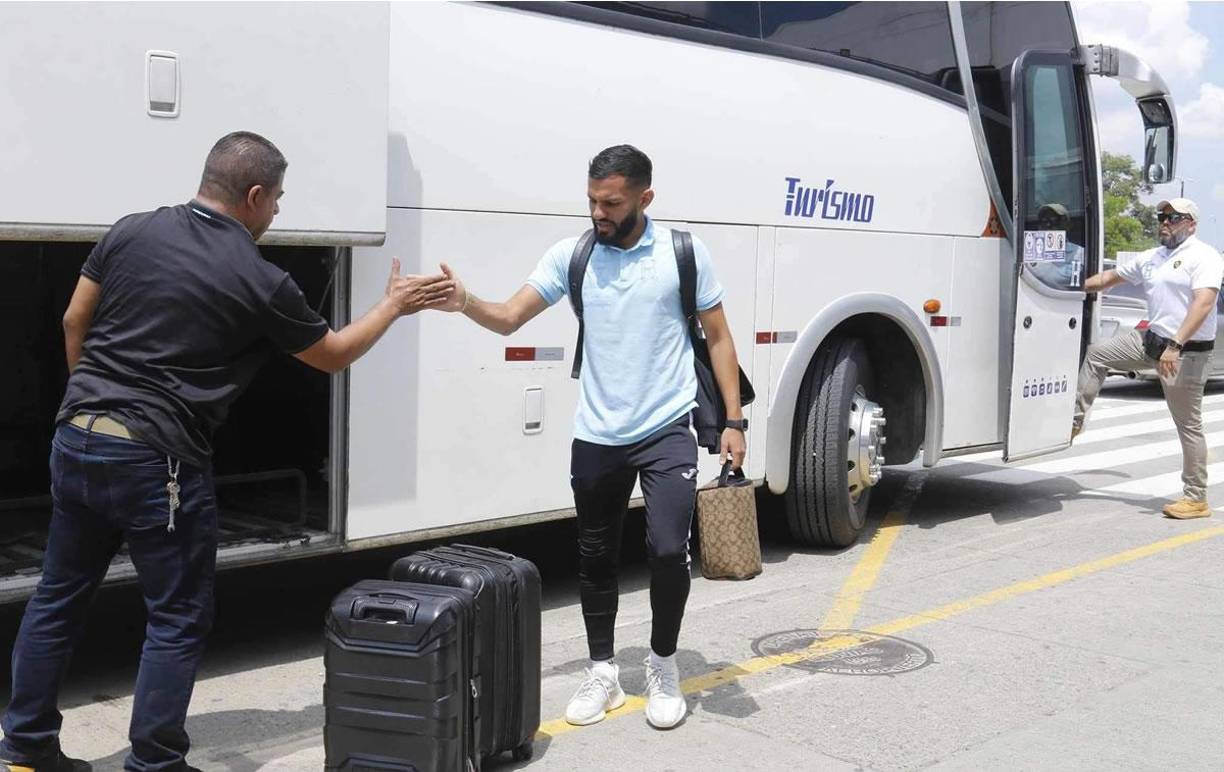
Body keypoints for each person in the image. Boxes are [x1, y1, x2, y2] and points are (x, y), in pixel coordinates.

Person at [0, 131, 453, 772]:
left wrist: (85, 401)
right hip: (156, 459)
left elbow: (76, 320)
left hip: (76, 437)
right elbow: (333, 356)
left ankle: (25, 746)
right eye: (276, 203)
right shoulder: (259, 277)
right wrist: (392, 305)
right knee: (177, 615)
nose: (275, 216)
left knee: (58, 595)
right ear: (254, 194)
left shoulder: (131, 230)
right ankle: (155, 761)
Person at [435, 145, 747, 729]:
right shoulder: (572, 255)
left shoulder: (682, 253)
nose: (599, 213)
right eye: (592, 201)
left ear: (644, 198)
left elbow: (720, 336)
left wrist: (733, 421)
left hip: (666, 429)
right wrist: (465, 302)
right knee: (595, 556)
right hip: (598, 434)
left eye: (612, 202)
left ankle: (662, 664)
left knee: (664, 551)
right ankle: (603, 672)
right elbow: (508, 316)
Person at [1073, 197, 1222, 519]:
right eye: (1162, 216)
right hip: (1149, 341)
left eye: (1174, 217)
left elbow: (1204, 303)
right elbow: (1109, 279)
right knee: (1098, 354)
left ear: (1191, 224)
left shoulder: (1204, 256)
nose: (1165, 222)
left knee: (1188, 425)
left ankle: (1196, 498)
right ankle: (1074, 420)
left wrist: (1176, 345)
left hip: (1185, 353)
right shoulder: (1152, 257)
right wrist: (1067, 286)